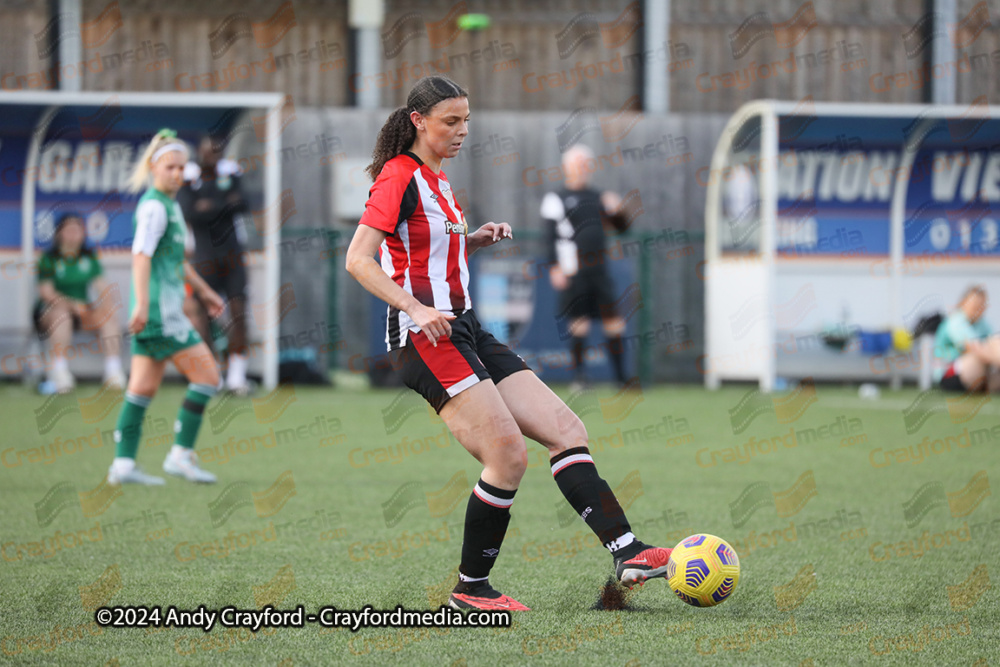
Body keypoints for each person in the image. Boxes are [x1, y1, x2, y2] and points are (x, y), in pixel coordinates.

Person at [345, 76, 671, 612]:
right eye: (451, 121)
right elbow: (358, 259)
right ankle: (470, 589)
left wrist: (470, 242)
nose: (462, 131)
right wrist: (415, 307)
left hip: (466, 327)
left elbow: (426, 252)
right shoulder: (397, 177)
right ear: (418, 121)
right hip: (426, 336)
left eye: (467, 120)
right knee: (507, 455)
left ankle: (627, 550)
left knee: (567, 429)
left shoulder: (437, 179)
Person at [106, 129, 224, 486]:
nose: (177, 173)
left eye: (181, 167)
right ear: (154, 167)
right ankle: (180, 455)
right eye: (170, 166)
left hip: (162, 310)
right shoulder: (155, 206)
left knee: (140, 389)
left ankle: (123, 466)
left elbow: (176, 261)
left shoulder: (169, 205)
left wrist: (204, 292)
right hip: (162, 313)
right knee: (208, 377)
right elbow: (140, 257)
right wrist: (141, 305)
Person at [541, 144, 632, 390]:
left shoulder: (599, 198)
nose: (581, 169)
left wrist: (619, 210)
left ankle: (622, 379)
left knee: (614, 322)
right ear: (566, 167)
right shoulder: (556, 198)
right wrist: (554, 267)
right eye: (576, 164)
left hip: (599, 270)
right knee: (579, 322)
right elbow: (549, 237)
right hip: (574, 270)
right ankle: (580, 378)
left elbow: (624, 229)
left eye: (585, 164)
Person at [176, 136, 253, 395]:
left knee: (239, 313)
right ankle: (212, 376)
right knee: (202, 315)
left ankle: (237, 377)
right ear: (199, 153)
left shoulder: (231, 174)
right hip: (205, 258)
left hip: (232, 257)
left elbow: (241, 204)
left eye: (216, 152)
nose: (212, 156)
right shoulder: (189, 179)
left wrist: (210, 206)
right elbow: (190, 211)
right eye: (208, 151)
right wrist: (222, 205)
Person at [34, 213, 127, 393]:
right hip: (52, 312)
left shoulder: (88, 257)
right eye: (69, 230)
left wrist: (108, 304)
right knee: (62, 315)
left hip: (82, 311)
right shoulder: (49, 258)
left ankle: (113, 371)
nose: (73, 234)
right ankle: (59, 372)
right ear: (59, 233)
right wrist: (72, 305)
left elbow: (102, 286)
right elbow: (47, 293)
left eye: (77, 230)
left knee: (108, 317)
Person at [935, 285, 1000, 392]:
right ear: (963, 302)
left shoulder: (983, 323)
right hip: (950, 373)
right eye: (975, 304)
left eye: (982, 305)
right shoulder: (956, 321)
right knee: (977, 358)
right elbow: (974, 348)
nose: (978, 308)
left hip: (980, 371)